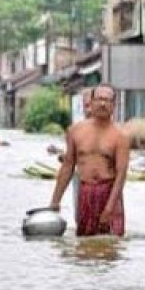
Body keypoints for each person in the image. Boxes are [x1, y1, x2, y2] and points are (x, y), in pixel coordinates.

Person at [49, 84, 130, 237]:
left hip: (109, 192)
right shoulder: (75, 131)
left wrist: (109, 208)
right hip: (85, 191)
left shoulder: (121, 136)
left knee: (110, 244)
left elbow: (121, 175)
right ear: (90, 103)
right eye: (99, 99)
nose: (102, 104)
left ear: (114, 105)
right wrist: (55, 201)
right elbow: (67, 167)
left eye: (107, 100)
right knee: (84, 243)